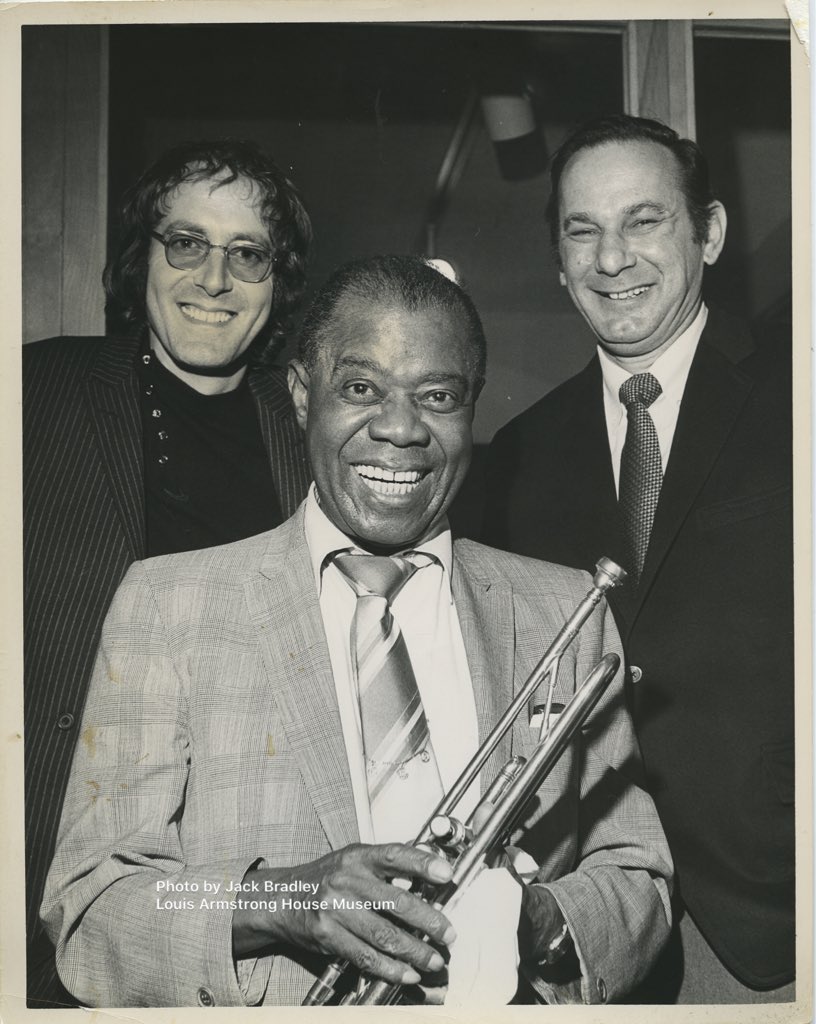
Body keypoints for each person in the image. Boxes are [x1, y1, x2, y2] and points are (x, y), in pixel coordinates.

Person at [42, 255, 672, 1007]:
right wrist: (280, 901)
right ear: (305, 396)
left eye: (437, 395)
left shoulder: (564, 610)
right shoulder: (168, 603)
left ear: (473, 408)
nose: (400, 428)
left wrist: (535, 921)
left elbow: (638, 878)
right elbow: (96, 904)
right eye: (361, 388)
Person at [483, 115, 793, 1003]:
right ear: (559, 259)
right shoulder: (515, 456)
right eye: (583, 230)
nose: (611, 258)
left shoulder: (797, 391)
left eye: (644, 220)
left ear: (711, 232)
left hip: (778, 918)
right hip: (590, 933)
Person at [24, 139, 313, 1008]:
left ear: (276, 280)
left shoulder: (305, 427)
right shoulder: (37, 391)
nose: (213, 281)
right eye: (185, 243)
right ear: (140, 259)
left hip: (251, 887)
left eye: (247, 254)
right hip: (46, 864)